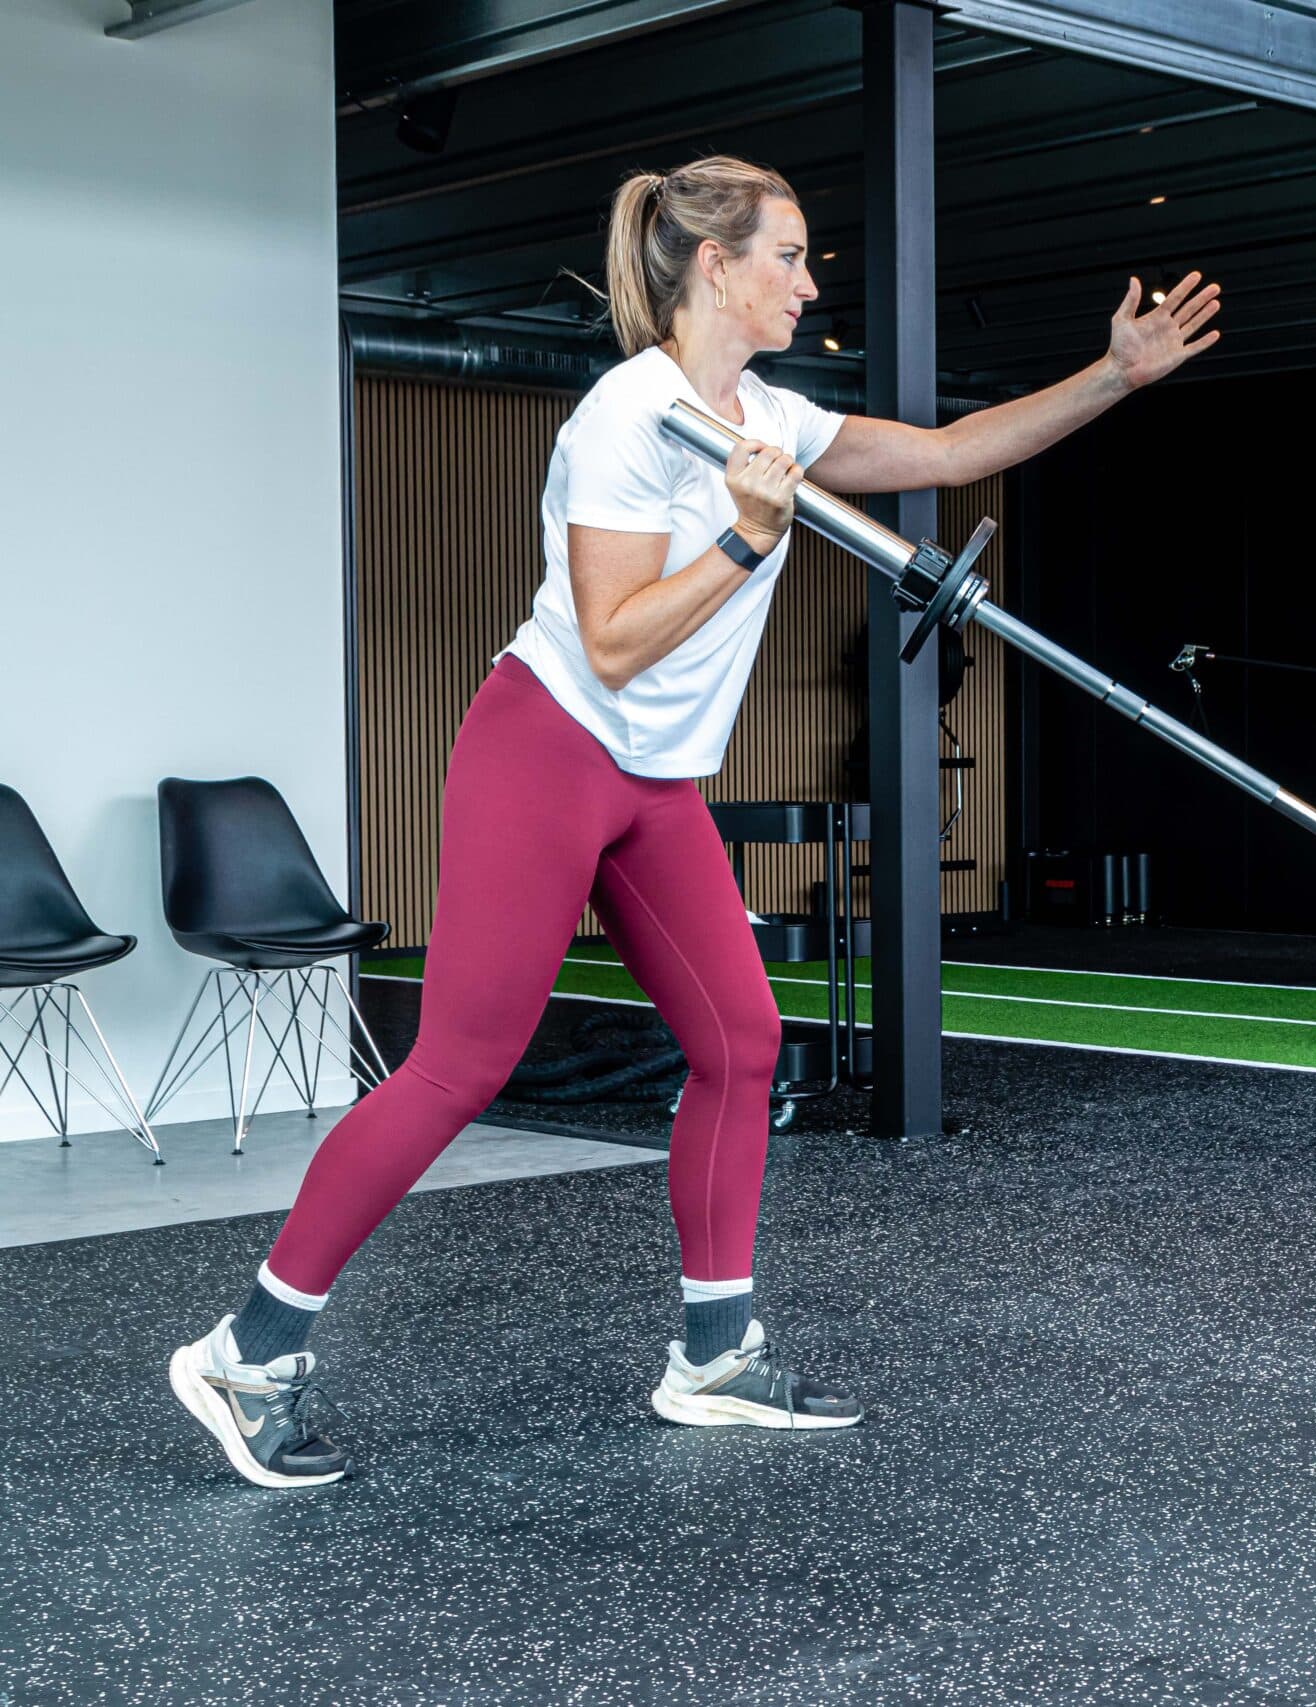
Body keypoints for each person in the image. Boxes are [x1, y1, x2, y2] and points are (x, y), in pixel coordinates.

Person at [168, 155, 1223, 1488]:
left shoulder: (767, 414)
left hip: (652, 783)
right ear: (716, 267)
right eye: (788, 254)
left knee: (741, 1037)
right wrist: (737, 539)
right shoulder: (628, 417)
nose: (808, 277)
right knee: (458, 1064)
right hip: (547, 747)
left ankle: (713, 1356)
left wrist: (1114, 377)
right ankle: (246, 1353)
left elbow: (950, 453)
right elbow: (608, 644)